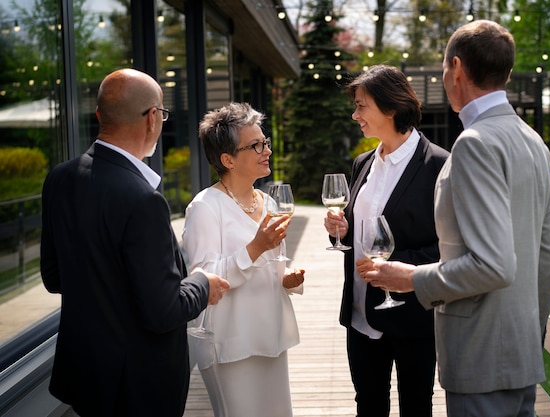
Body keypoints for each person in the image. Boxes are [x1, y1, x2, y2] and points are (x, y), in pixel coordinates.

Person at [358, 21, 550, 417]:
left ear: (456, 68)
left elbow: (492, 265)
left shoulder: (473, 144)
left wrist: (412, 278)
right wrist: (527, 337)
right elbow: (549, 255)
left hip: (480, 356)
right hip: (521, 353)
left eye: (442, 70)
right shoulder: (532, 140)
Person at [39, 68, 230, 417]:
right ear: (153, 119)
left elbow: (55, 278)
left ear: (99, 116)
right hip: (137, 387)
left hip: (85, 374)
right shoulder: (143, 200)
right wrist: (204, 283)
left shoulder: (60, 178)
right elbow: (164, 312)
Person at [324, 64, 449, 416]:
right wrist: (340, 228)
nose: (355, 114)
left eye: (361, 106)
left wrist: (401, 267)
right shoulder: (363, 162)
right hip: (361, 315)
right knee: (368, 405)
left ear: (391, 108)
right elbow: (356, 229)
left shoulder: (439, 165)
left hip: (412, 316)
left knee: (415, 407)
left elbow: (449, 247)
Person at [183, 102, 305, 417]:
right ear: (228, 160)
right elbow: (203, 280)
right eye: (256, 145)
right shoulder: (205, 208)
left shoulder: (267, 201)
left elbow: (272, 262)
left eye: (265, 142)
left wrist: (288, 277)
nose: (267, 150)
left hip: (271, 336)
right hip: (232, 345)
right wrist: (256, 247)